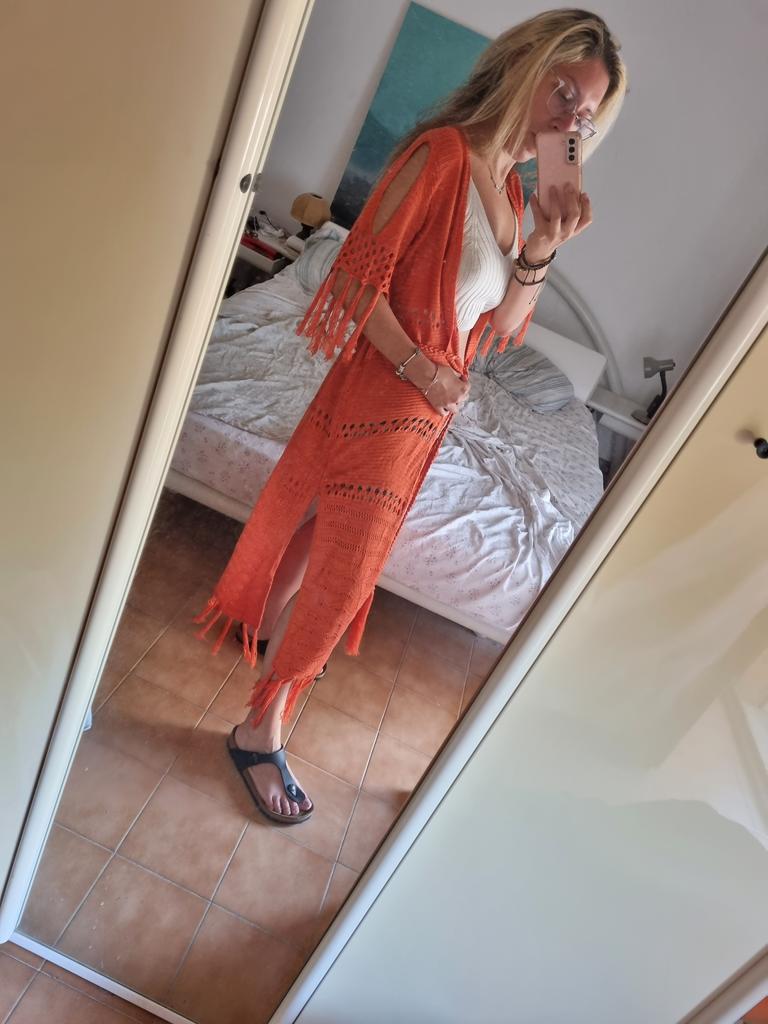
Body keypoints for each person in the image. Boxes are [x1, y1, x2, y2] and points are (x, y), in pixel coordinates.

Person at [195, 8, 627, 823]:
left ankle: (268, 649)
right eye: (564, 91)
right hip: (391, 390)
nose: (572, 119)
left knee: (323, 533)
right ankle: (260, 732)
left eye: (588, 114)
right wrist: (425, 372)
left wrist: (542, 246)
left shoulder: (512, 191)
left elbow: (500, 329)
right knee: (348, 572)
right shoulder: (441, 154)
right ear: (526, 66)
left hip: (428, 409)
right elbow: (353, 283)